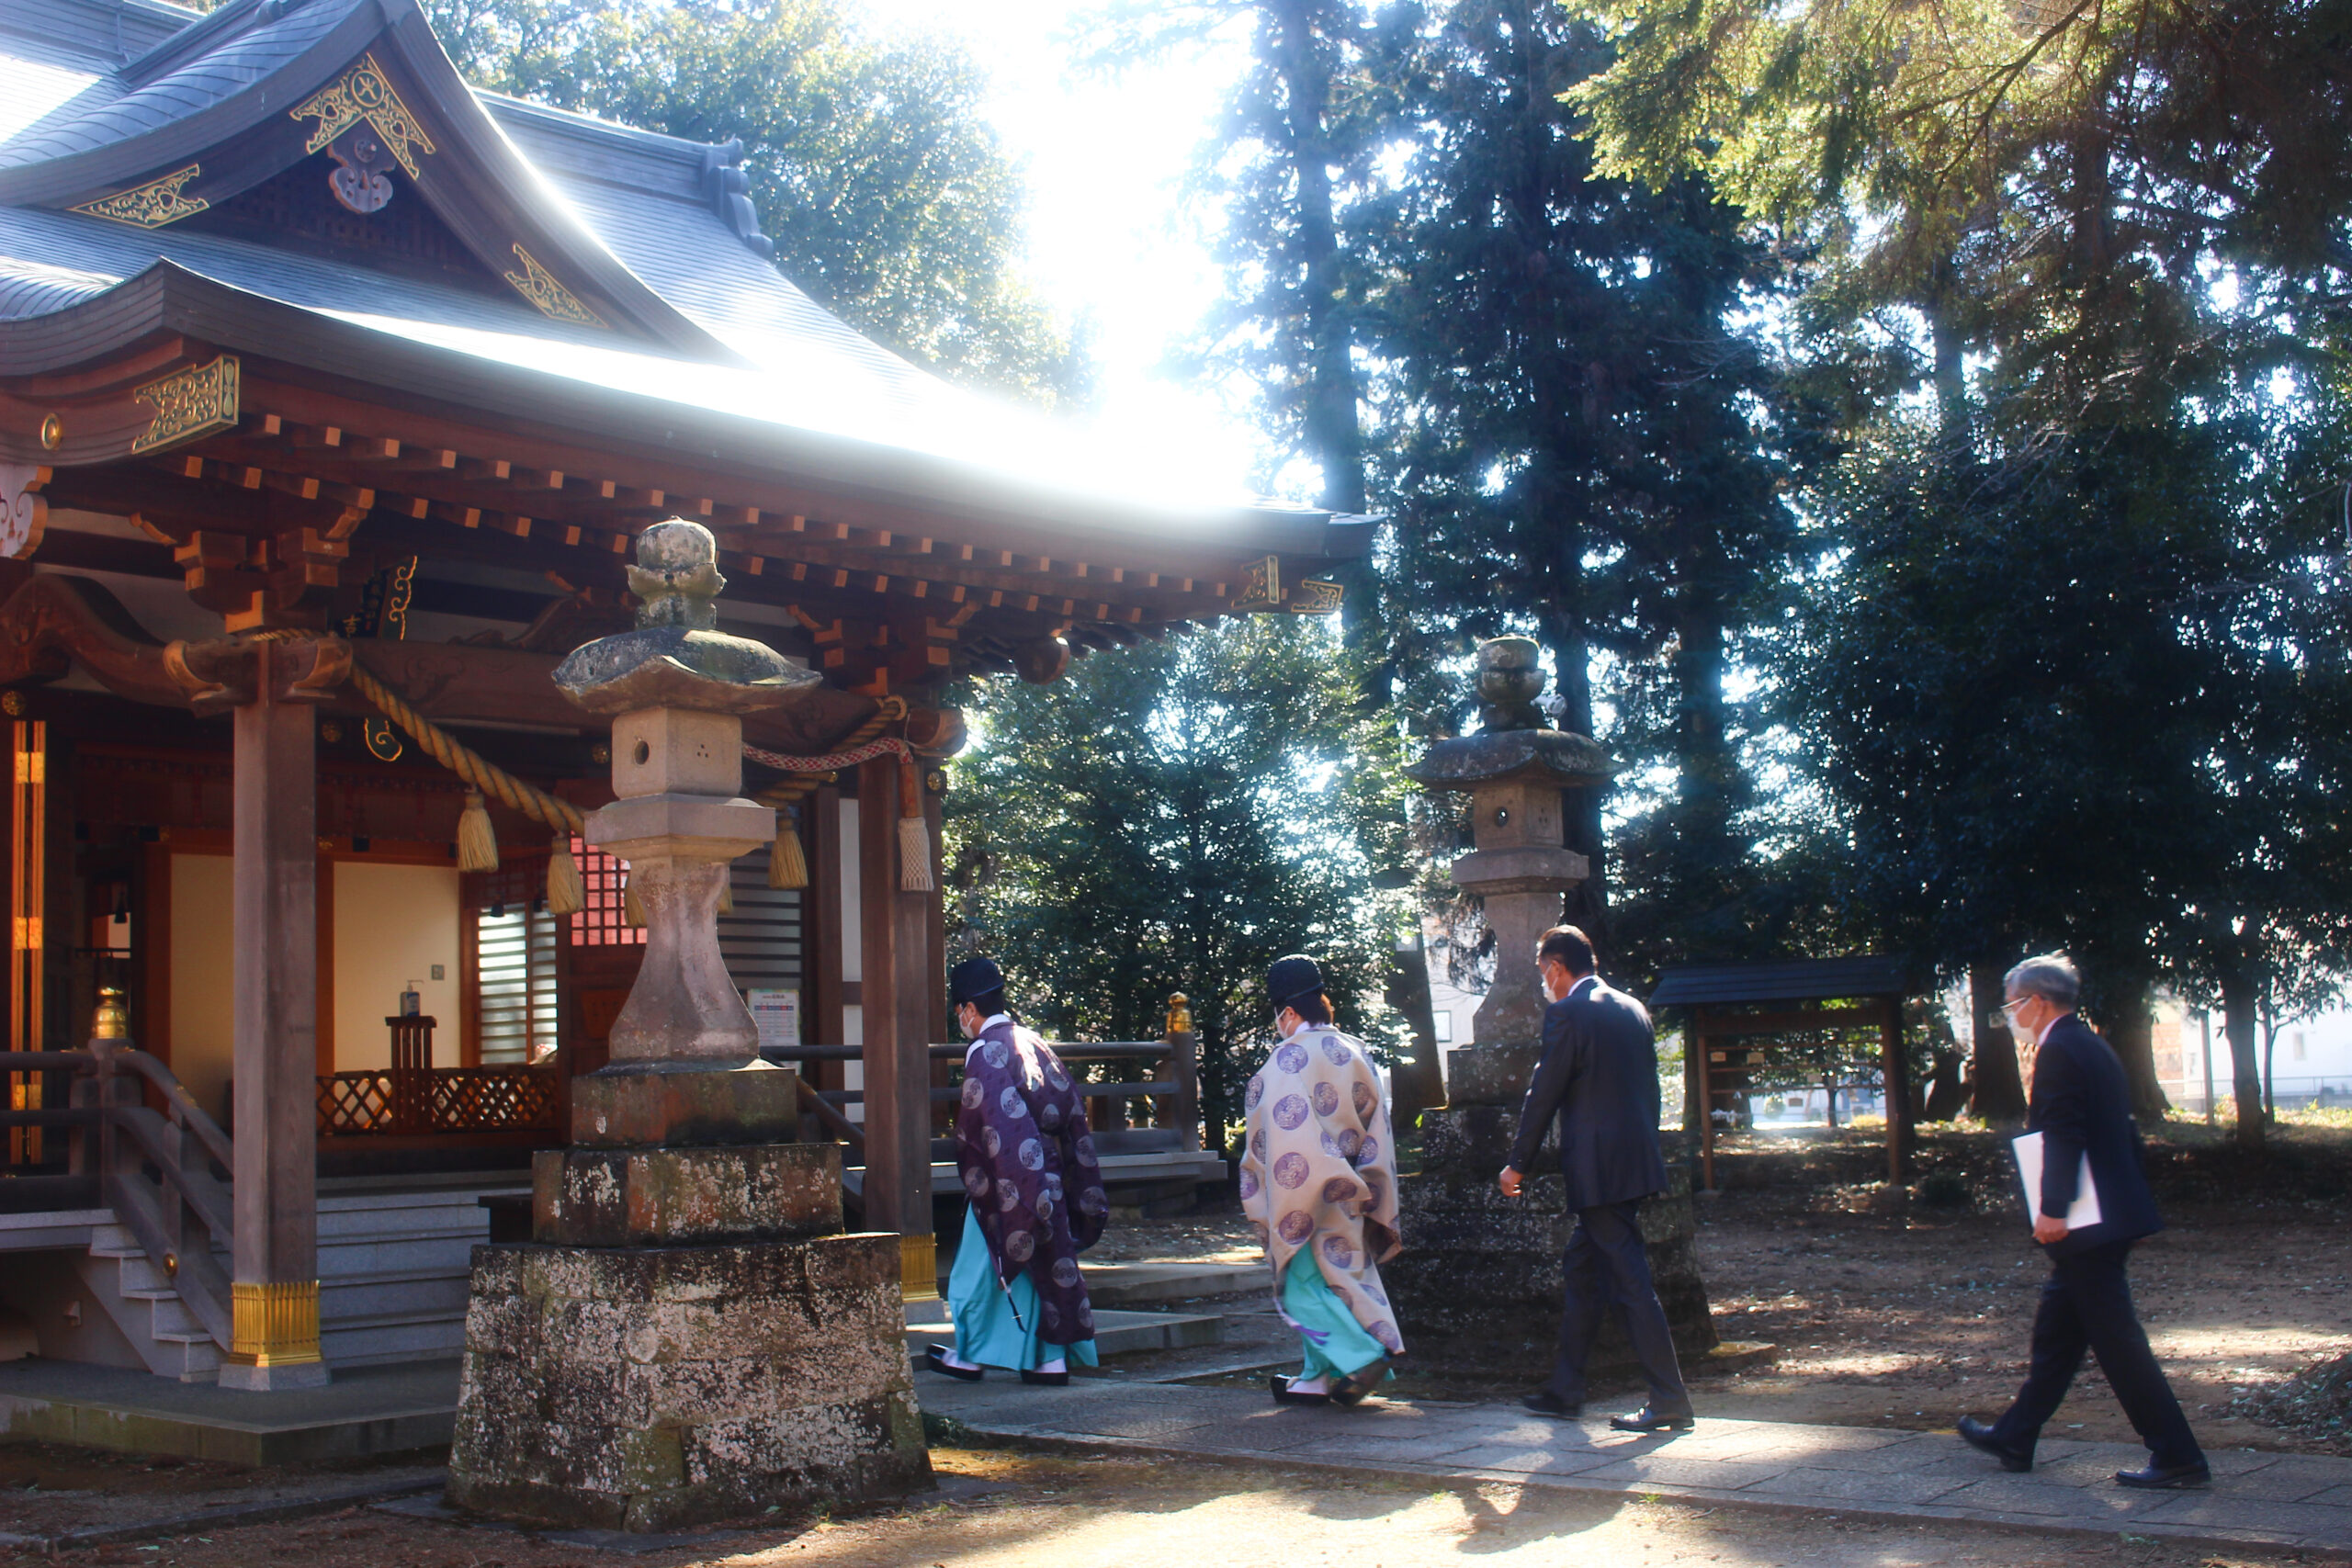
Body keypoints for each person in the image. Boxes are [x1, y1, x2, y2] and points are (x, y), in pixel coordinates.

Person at [1959, 954, 2208, 1488]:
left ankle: (2178, 1456)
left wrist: (2052, 1209)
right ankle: (2016, 1434)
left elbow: (2064, 1136)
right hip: (2107, 1216)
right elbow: (2122, 1135)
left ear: (2037, 1002)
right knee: (2058, 1335)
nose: (2010, 1015)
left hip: (2085, 1222)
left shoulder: (2059, 1051)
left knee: (2119, 1343)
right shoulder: (2090, 1044)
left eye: (2012, 1004)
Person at [1498, 924, 1693, 1433]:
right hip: (1633, 1161)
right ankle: (1565, 1389)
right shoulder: (1632, 1008)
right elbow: (1647, 1090)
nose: (1545, 983)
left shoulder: (1568, 1012)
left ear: (1557, 967)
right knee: (1582, 1271)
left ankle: (1670, 1398)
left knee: (1631, 1282)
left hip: (1598, 1169)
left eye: (1544, 973)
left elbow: (1544, 1092)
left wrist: (1518, 1162)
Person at [923, 956, 1109, 1386]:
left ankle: (969, 1355)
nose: (961, 1022)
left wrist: (997, 1174)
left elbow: (987, 1121)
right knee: (1046, 1263)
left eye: (960, 1014)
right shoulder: (1032, 1040)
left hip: (1006, 1175)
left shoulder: (983, 1051)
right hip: (1052, 1173)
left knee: (977, 1270)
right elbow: (1069, 1109)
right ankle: (1051, 1361)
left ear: (968, 1009)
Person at [1239, 953, 1405, 1407]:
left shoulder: (1286, 1060)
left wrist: (1286, 1197)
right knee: (1342, 1277)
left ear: (1288, 1012)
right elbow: (1378, 1128)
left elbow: (1278, 1135)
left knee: (1302, 1284)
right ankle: (1316, 1378)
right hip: (1352, 1184)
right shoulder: (1353, 1050)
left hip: (1303, 1190)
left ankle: (1361, 1356)